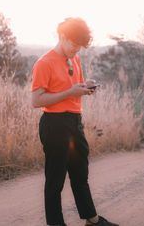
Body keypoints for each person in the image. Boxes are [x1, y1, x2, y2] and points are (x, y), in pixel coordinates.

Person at [31, 18, 119, 226]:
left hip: (75, 122)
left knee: (81, 174)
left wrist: (84, 87)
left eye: (80, 46)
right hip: (54, 124)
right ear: (62, 36)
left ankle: (92, 220)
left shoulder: (75, 59)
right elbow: (36, 101)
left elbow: (71, 87)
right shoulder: (44, 63)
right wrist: (71, 92)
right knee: (55, 181)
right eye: (73, 44)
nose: (76, 49)